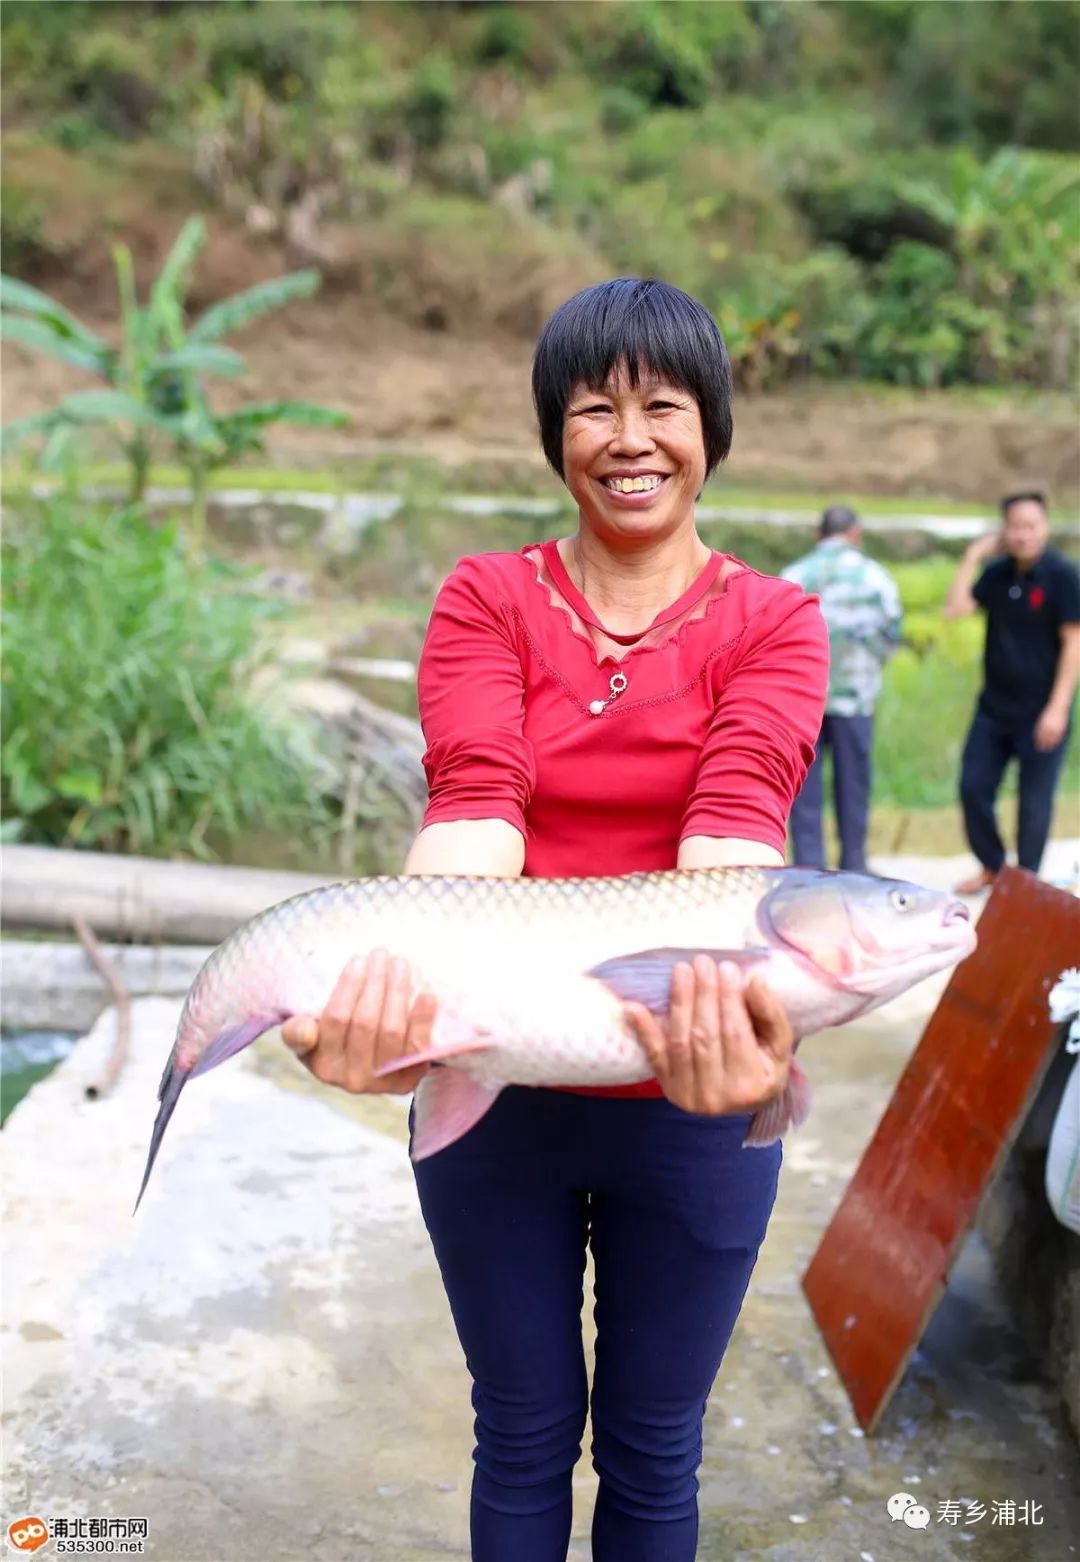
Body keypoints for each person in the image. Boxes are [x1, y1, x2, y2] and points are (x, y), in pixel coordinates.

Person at [280, 278, 829, 1562]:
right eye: (594, 407)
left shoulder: (776, 620)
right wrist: (394, 982)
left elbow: (736, 825)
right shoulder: (488, 597)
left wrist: (736, 1003)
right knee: (520, 1430)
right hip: (493, 1089)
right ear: (554, 433)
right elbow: (478, 801)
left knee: (654, 1445)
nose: (629, 437)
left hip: (697, 1113)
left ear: (714, 430)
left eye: (663, 405)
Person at [944, 489, 1080, 894]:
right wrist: (973, 557)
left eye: (1031, 526)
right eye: (1015, 527)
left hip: (1042, 711)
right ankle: (993, 867)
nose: (1023, 535)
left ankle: (1025, 884)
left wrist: (1058, 708)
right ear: (1004, 530)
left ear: (1045, 527)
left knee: (1034, 804)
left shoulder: (1063, 576)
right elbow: (955, 608)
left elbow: (1074, 643)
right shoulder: (999, 573)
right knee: (972, 788)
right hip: (994, 709)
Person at [781, 505, 902, 873]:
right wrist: (864, 669)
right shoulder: (876, 578)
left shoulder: (794, 575)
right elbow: (891, 634)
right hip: (857, 700)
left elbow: (776, 637)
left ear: (820, 535)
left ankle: (809, 869)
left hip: (803, 703)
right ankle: (854, 867)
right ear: (855, 534)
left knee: (802, 791)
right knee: (853, 787)